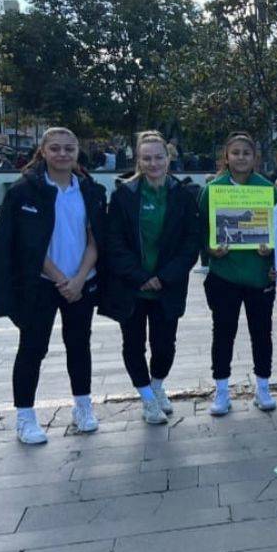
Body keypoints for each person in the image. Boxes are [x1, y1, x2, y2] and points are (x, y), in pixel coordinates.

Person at [0, 127, 106, 443]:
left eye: (69, 149)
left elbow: (97, 240)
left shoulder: (90, 189)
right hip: (42, 284)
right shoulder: (24, 191)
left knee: (79, 346)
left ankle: (83, 406)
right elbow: (28, 244)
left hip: (81, 283)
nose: (63, 154)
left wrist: (80, 278)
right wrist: (60, 279)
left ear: (78, 151)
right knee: (32, 347)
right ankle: (25, 417)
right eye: (55, 148)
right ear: (43, 151)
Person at [100, 131, 200, 425]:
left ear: (169, 159)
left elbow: (189, 243)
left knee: (165, 346)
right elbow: (113, 241)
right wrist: (140, 276)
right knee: (133, 345)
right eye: (147, 158)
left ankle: (157, 386)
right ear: (138, 160)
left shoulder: (183, 195)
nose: (153, 163)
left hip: (167, 287)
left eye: (159, 157)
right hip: (131, 288)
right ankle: (146, 398)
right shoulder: (123, 195)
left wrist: (164, 277)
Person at [199, 132, 277, 416]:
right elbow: (202, 230)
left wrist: (271, 254)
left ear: (255, 157)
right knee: (223, 334)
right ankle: (222, 391)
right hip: (225, 276)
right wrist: (210, 250)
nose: (241, 157)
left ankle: (263, 387)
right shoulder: (213, 189)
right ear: (226, 157)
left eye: (247, 152)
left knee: (262, 333)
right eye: (236, 153)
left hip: (259, 277)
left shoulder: (268, 189)